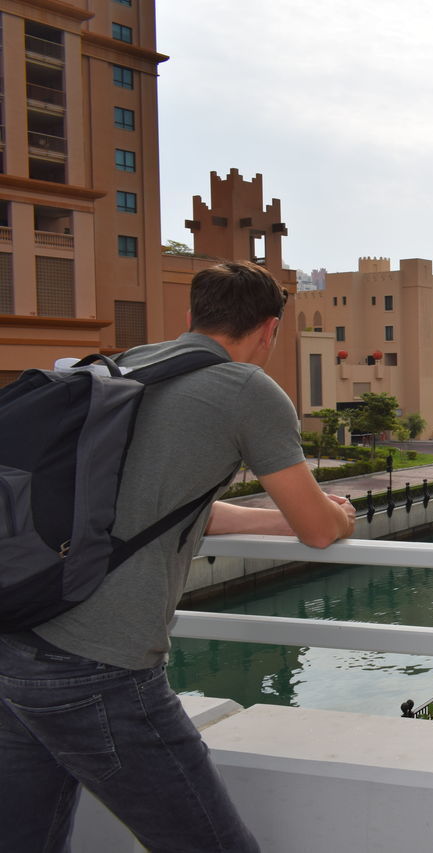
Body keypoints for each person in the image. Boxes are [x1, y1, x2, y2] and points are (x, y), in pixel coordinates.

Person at [0, 261, 356, 852]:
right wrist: (337, 515)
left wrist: (274, 521)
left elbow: (165, 508)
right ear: (269, 329)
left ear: (190, 316)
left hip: (17, 645)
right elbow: (319, 531)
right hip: (99, 667)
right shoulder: (247, 390)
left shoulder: (130, 366)